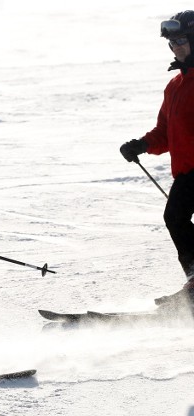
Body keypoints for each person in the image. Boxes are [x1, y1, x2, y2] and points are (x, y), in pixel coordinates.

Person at [120, 10, 194, 305]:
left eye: (181, 39)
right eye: (171, 41)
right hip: (187, 171)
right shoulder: (175, 86)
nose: (176, 46)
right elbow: (165, 131)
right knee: (174, 218)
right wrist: (141, 144)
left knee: (176, 217)